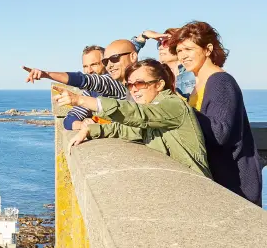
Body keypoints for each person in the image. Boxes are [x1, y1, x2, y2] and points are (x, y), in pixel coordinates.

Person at [55, 59, 211, 178]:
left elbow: (137, 114)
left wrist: (81, 100)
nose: (134, 90)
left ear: (159, 85)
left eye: (140, 83)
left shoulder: (173, 105)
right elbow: (127, 128)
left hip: (196, 186)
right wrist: (90, 129)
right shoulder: (154, 108)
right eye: (130, 85)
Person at [167, 21, 262, 205]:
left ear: (208, 49)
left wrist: (179, 109)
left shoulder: (220, 81)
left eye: (188, 49)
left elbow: (220, 133)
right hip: (220, 177)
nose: (183, 56)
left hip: (234, 182)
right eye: (179, 51)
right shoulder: (197, 85)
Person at [24, 39, 138, 100]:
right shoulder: (90, 91)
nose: (110, 65)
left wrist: (47, 74)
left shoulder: (115, 82)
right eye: (106, 61)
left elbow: (85, 80)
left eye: (94, 64)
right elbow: (71, 118)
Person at [132, 29, 196, 97]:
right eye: (159, 43)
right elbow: (125, 61)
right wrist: (142, 38)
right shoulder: (154, 72)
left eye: (166, 43)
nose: (160, 47)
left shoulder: (194, 72)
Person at [63, 45, 106, 131]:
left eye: (94, 64)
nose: (89, 71)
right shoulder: (91, 91)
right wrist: (81, 124)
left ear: (105, 63)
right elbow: (68, 120)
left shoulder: (117, 85)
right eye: (85, 66)